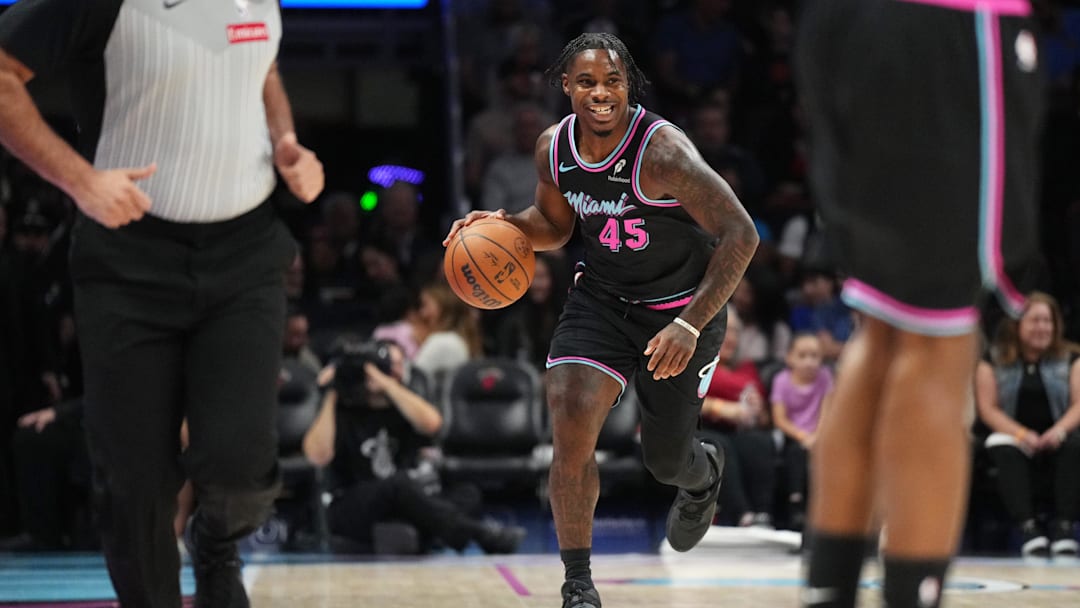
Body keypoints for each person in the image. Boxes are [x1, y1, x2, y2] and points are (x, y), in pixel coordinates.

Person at [0, 3, 324, 607]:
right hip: (128, 260)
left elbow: (261, 63)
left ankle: (216, 545)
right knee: (134, 486)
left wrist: (284, 141)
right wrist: (79, 181)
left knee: (241, 468)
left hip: (245, 253)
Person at [444, 32, 759, 608]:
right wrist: (505, 227)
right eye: (586, 82)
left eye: (612, 81)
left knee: (664, 462)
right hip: (603, 303)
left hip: (681, 313)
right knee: (568, 418)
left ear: (628, 86)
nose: (600, 94)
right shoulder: (553, 149)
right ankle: (578, 585)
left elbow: (742, 234)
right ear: (566, 87)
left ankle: (702, 472)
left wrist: (689, 325)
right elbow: (555, 226)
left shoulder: (663, 153)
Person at [795, 1, 1044, 606]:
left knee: (881, 331)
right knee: (939, 342)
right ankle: (914, 593)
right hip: (947, 27)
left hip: (858, 24)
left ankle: (830, 589)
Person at [301, 339, 525, 555]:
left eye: (399, 365)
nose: (398, 371)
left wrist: (388, 385)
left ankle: (407, 532)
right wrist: (332, 392)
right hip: (355, 501)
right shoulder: (342, 409)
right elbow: (317, 456)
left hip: (408, 500)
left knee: (468, 493)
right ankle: (477, 534)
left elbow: (433, 424)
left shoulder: (404, 403)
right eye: (390, 366)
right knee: (398, 485)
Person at [974, 292, 1080, 557]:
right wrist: (1022, 434)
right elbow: (987, 409)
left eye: (1047, 321)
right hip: (1014, 436)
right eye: (1035, 321)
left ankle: (1064, 526)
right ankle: (1029, 528)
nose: (1042, 327)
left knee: (1076, 442)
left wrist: (1058, 431)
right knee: (1000, 444)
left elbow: (1079, 404)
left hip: (1058, 435)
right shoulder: (993, 360)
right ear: (1017, 325)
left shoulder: (1072, 358)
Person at [770, 333, 833, 530]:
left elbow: (827, 411)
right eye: (803, 356)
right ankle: (795, 505)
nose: (809, 362)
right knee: (796, 453)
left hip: (820, 436)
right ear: (790, 358)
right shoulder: (781, 380)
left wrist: (816, 437)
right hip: (793, 437)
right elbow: (779, 419)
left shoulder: (825, 377)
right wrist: (803, 436)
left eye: (815, 356)